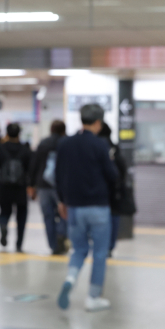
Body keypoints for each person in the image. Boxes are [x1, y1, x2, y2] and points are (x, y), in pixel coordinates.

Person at [56, 104, 118, 312]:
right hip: (98, 206)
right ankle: (93, 297)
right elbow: (112, 174)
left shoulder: (65, 143)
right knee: (99, 253)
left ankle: (71, 278)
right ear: (98, 122)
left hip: (74, 207)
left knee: (79, 249)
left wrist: (62, 201)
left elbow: (58, 174)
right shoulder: (100, 145)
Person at [28, 120, 68, 255]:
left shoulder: (43, 143)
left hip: (43, 185)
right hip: (61, 185)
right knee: (64, 213)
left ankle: (53, 245)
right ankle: (61, 233)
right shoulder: (66, 143)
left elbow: (34, 164)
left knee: (48, 216)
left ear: (51, 130)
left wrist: (31, 184)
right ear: (63, 130)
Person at [0, 123, 32, 252]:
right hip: (20, 188)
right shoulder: (25, 149)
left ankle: (3, 226)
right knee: (21, 216)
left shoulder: (1, 148)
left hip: (4, 187)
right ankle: (19, 244)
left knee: (4, 212)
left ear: (7, 133)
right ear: (19, 133)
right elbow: (30, 168)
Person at [97, 122, 130, 257]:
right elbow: (122, 169)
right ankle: (109, 247)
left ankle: (101, 246)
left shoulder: (97, 147)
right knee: (114, 218)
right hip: (115, 192)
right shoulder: (115, 148)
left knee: (100, 221)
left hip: (99, 192)